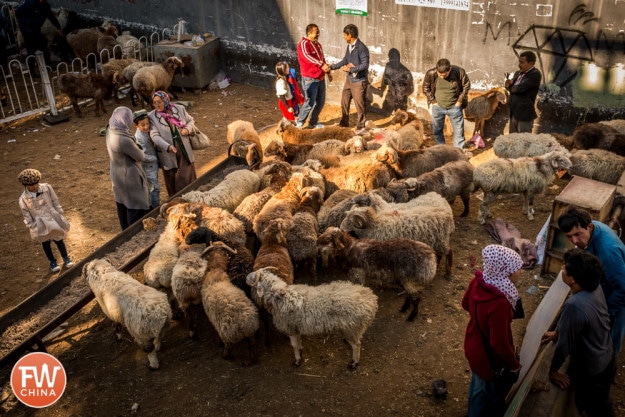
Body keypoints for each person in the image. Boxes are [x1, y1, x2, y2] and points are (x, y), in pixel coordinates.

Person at [542, 248, 616, 417]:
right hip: (606, 355)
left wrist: (553, 371)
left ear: (573, 279)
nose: (561, 268)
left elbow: (563, 347)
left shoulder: (575, 305)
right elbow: (581, 322)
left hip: (594, 369)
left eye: (564, 268)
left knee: (599, 408)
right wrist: (558, 331)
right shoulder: (594, 287)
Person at [463, 244, 523, 417]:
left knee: (477, 386)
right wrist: (513, 364)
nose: (521, 272)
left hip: (473, 342)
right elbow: (499, 343)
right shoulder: (500, 303)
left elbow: (465, 304)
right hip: (488, 358)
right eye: (517, 269)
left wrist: (479, 317)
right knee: (485, 396)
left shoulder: (478, 281)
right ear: (505, 271)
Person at [557, 207, 625, 353]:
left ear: (589, 227)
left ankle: (608, 364)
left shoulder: (608, 251)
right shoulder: (590, 226)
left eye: (578, 234)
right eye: (569, 236)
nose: (575, 241)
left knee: (609, 338)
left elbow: (623, 288)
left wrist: (606, 314)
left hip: (618, 296)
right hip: (607, 283)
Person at [18, 168, 73, 273]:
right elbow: (26, 212)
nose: (34, 187)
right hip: (39, 222)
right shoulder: (23, 198)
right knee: (45, 243)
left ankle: (66, 257)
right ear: (25, 185)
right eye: (31, 185)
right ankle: (52, 261)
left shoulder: (47, 188)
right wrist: (31, 225)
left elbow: (54, 200)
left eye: (36, 183)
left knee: (59, 239)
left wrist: (58, 212)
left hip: (52, 217)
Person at [106, 106, 150, 230]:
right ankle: (133, 232)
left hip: (117, 173)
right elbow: (140, 156)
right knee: (134, 206)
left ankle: (125, 230)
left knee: (122, 204)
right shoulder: (123, 139)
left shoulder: (111, 129)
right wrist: (137, 144)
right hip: (129, 177)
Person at [148, 90, 197, 196]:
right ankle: (176, 200)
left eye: (159, 102)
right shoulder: (152, 116)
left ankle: (192, 195)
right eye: (154, 102)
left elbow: (191, 121)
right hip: (168, 153)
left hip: (183, 149)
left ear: (166, 100)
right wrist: (167, 146)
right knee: (172, 178)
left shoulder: (179, 109)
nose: (157, 105)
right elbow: (154, 136)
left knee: (187, 174)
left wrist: (187, 129)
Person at [422, 58, 471, 150]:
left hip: (455, 108)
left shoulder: (459, 72)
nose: (442, 77)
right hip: (438, 107)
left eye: (444, 75)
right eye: (440, 75)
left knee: (458, 133)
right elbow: (425, 88)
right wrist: (433, 102)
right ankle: (442, 151)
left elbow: (466, 86)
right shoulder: (431, 73)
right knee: (437, 131)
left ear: (450, 70)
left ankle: (458, 152)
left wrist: (459, 101)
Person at [330, 24, 369, 135]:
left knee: (359, 105)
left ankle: (361, 126)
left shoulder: (362, 48)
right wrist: (332, 67)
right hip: (350, 79)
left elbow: (365, 65)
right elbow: (345, 60)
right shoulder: (350, 46)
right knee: (344, 101)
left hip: (359, 81)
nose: (343, 37)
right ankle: (344, 123)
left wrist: (350, 69)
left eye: (344, 35)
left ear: (349, 35)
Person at [296, 23, 331, 129]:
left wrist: (328, 72)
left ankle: (313, 122)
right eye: (316, 32)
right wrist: (322, 65)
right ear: (309, 33)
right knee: (309, 102)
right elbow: (307, 56)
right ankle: (300, 122)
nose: (318, 34)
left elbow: (322, 59)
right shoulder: (303, 44)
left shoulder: (318, 45)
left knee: (320, 101)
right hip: (310, 78)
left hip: (320, 77)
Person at [15, 0, 63, 75]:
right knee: (31, 50)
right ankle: (32, 72)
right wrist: (26, 22)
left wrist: (58, 27)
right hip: (27, 30)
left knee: (43, 46)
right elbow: (18, 12)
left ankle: (48, 65)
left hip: (36, 29)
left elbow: (50, 16)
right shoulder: (31, 3)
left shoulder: (45, 5)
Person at [505, 51, 541, 133]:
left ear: (531, 63)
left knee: (523, 142)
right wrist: (508, 85)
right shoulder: (518, 73)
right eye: (519, 62)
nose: (519, 65)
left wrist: (510, 86)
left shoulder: (535, 74)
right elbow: (511, 87)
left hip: (524, 115)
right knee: (512, 141)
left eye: (522, 62)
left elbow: (518, 89)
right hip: (514, 113)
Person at [133, 109, 160, 210]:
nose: (146, 127)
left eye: (147, 124)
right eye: (143, 125)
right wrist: (154, 158)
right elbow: (142, 156)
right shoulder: (139, 137)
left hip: (152, 166)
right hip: (148, 167)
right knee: (154, 188)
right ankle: (154, 208)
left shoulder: (145, 133)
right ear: (136, 125)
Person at [380, 48, 414, 113]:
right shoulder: (388, 66)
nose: (393, 60)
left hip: (401, 97)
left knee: (400, 116)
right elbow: (385, 80)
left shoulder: (405, 71)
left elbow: (411, 88)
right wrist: (382, 89)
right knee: (386, 112)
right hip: (392, 95)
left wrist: (403, 94)